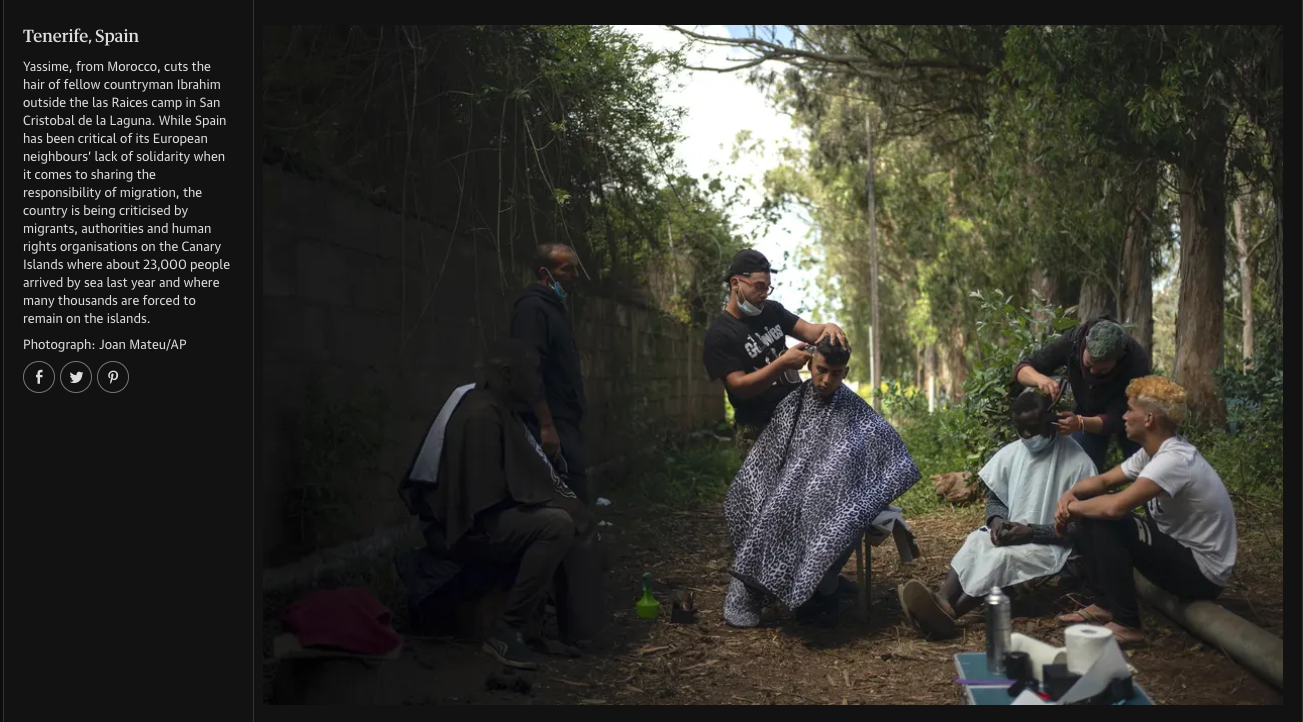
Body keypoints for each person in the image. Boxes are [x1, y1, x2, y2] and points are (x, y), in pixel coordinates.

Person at [399, 339, 593, 669]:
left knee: (569, 516)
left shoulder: (502, 408)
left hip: (488, 519)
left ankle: (551, 626)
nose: (538, 382)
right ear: (507, 373)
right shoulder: (482, 414)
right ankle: (506, 631)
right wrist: (547, 503)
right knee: (556, 525)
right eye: (533, 372)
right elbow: (485, 504)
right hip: (467, 531)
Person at [723, 338, 921, 627]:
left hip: (838, 498)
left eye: (836, 373)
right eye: (821, 370)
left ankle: (820, 592)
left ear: (846, 372)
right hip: (788, 493)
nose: (827, 379)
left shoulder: (854, 409)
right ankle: (768, 591)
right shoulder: (794, 403)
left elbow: (886, 452)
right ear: (810, 364)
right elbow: (769, 458)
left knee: (834, 517)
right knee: (776, 510)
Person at [898, 390, 1097, 638]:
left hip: (1048, 545)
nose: (1026, 436)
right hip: (1011, 533)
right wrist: (997, 522)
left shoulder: (1079, 463)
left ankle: (950, 615)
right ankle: (941, 598)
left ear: (1051, 420)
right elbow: (996, 501)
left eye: (1033, 428)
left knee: (1000, 559)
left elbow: (1083, 528)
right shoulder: (1013, 453)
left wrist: (1033, 532)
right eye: (1020, 429)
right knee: (976, 542)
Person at [1054, 376, 1236, 646]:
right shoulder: (1152, 453)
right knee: (1093, 511)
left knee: (1107, 519)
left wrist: (1073, 509)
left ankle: (1128, 624)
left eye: (1129, 410)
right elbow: (1103, 481)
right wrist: (1070, 495)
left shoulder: (1173, 460)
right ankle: (1105, 604)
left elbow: (1116, 506)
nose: (1124, 416)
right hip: (1179, 553)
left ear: (1149, 419)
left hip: (1202, 574)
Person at [702, 249, 848, 462]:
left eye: (767, 288)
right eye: (758, 286)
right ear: (736, 284)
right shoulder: (719, 334)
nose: (763, 294)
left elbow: (809, 331)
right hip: (757, 429)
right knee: (769, 494)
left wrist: (829, 326)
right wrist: (782, 363)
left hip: (795, 418)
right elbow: (739, 387)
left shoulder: (772, 311)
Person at [1014, 316, 1151, 474]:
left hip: (1130, 417)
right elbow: (1022, 368)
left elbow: (1118, 417)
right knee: (1082, 473)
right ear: (1084, 345)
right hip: (1086, 412)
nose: (1092, 372)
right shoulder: (1071, 341)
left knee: (1142, 471)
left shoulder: (1136, 363)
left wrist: (1081, 423)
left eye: (1101, 370)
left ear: (1118, 359)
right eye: (1088, 364)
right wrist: (1039, 379)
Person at [511, 243, 591, 503]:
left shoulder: (554, 308)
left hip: (565, 421)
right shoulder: (533, 308)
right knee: (567, 501)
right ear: (546, 273)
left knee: (575, 499)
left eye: (575, 269)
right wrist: (546, 425)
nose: (575, 276)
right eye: (567, 270)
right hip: (548, 423)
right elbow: (528, 368)